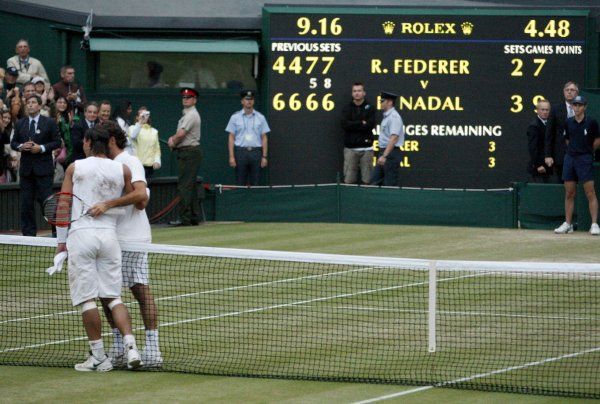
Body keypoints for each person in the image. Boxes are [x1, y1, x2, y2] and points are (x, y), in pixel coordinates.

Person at [55, 125, 146, 371]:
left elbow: (63, 206)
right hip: (109, 239)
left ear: (87, 142)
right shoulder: (122, 168)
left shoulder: (75, 167)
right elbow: (139, 203)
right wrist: (111, 204)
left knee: (87, 300)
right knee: (113, 298)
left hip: (81, 237)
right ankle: (131, 348)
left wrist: (60, 244)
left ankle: (98, 356)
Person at [100, 121, 163, 368]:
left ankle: (152, 349)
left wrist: (108, 204)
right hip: (112, 237)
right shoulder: (107, 164)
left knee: (139, 290)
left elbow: (141, 198)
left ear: (112, 141)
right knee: (107, 293)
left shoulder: (130, 161)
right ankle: (118, 347)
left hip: (132, 238)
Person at [10, 95, 60, 236]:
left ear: (39, 106)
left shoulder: (49, 122)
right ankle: (28, 235)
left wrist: (42, 148)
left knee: (48, 203)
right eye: (28, 102)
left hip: (44, 171)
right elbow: (13, 143)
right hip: (26, 171)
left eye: (33, 102)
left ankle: (57, 234)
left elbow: (57, 142)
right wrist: (21, 146)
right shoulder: (20, 123)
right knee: (26, 205)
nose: (30, 105)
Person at [554, 96, 600, 235]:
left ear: (584, 107)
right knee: (569, 192)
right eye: (575, 105)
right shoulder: (568, 122)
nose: (577, 107)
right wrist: (573, 151)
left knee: (590, 192)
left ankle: (594, 224)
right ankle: (568, 224)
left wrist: (586, 151)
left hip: (585, 159)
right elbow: (567, 140)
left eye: (580, 105)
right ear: (572, 107)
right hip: (570, 159)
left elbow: (597, 140)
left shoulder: (591, 122)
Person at [168, 88, 202, 226]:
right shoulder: (187, 114)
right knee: (190, 186)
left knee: (184, 186)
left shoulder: (191, 114)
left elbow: (181, 134)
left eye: (189, 97)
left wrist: (172, 140)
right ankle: (193, 217)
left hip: (189, 152)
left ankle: (185, 218)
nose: (185, 99)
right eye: (184, 97)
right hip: (187, 152)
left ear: (194, 100)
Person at [225, 90, 270, 186]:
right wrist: (231, 157)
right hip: (241, 152)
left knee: (256, 182)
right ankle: (241, 201)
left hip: (256, 152)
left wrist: (264, 156)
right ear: (242, 101)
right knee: (240, 182)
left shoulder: (260, 117)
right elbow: (231, 137)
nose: (249, 101)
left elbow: (264, 138)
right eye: (246, 99)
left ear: (253, 101)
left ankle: (254, 201)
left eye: (251, 99)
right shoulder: (235, 117)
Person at [341, 82, 376, 184]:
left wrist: (353, 124)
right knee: (349, 180)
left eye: (359, 91)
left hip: (367, 149)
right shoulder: (347, 108)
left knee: (368, 180)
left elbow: (370, 125)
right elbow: (344, 125)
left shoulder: (370, 108)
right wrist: (361, 122)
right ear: (352, 93)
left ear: (364, 93)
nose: (357, 93)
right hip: (350, 150)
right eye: (354, 91)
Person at [545, 81, 579, 183]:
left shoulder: (582, 108)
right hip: (560, 154)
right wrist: (548, 155)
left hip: (578, 155)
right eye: (567, 90)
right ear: (564, 92)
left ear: (577, 93)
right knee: (562, 182)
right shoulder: (556, 109)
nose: (569, 92)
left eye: (572, 90)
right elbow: (549, 133)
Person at [370, 91, 404, 186]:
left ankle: (391, 201)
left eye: (382, 100)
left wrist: (385, 156)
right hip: (385, 152)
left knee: (390, 184)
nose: (380, 102)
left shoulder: (394, 117)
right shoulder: (387, 116)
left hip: (390, 153)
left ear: (389, 102)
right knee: (375, 181)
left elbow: (394, 138)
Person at [128, 106, 161, 178]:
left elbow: (156, 150)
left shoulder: (154, 131)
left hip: (149, 168)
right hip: (136, 166)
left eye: (146, 115)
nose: (144, 117)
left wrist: (157, 161)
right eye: (141, 115)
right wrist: (140, 123)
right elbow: (133, 136)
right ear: (137, 117)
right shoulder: (132, 128)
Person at [527, 99, 551, 183]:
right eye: (542, 110)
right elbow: (533, 148)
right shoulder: (534, 126)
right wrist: (538, 165)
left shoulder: (551, 124)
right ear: (537, 110)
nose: (545, 112)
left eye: (547, 110)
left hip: (550, 166)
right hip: (539, 169)